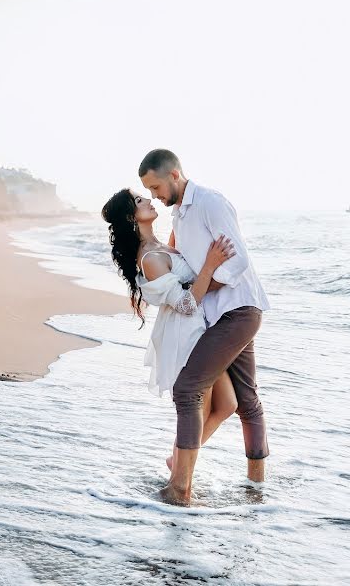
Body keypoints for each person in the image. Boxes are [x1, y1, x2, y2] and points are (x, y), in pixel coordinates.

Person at [139, 149, 271, 506]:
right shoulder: (179, 216)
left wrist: (205, 280)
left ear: (175, 174)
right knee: (245, 400)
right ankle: (256, 489)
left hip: (239, 309)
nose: (155, 196)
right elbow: (177, 262)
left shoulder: (211, 202)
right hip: (216, 315)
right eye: (148, 191)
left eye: (156, 187)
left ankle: (180, 487)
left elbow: (238, 259)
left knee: (187, 389)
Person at [101, 189, 239, 481]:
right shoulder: (149, 258)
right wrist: (211, 264)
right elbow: (187, 304)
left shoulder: (160, 245)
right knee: (203, 409)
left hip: (198, 328)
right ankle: (179, 479)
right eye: (140, 201)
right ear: (130, 217)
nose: (149, 200)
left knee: (227, 405)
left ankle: (175, 460)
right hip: (187, 335)